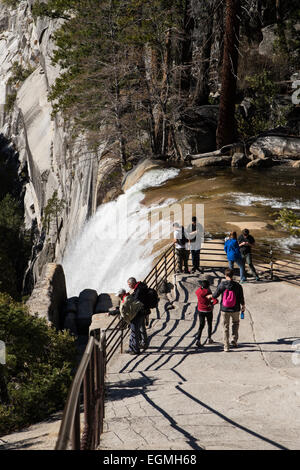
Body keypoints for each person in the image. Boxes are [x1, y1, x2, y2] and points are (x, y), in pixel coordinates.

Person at [210, 268, 245, 352]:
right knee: (236, 323)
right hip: (235, 308)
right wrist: (243, 306)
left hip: (225, 309)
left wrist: (210, 297)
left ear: (225, 276)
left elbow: (215, 295)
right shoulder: (238, 285)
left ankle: (226, 346)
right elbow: (241, 298)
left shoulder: (222, 284)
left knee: (225, 327)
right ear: (233, 275)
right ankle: (234, 339)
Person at [115, 287, 145, 355]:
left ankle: (136, 350)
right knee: (133, 333)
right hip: (138, 315)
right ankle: (131, 348)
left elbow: (122, 311)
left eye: (119, 295)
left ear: (122, 294)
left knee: (134, 333)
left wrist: (111, 312)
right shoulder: (129, 296)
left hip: (135, 317)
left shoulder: (126, 300)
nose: (118, 297)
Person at [195, 279, 218, 348]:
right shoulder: (208, 292)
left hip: (200, 310)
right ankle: (209, 338)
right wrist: (211, 303)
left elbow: (200, 289)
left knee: (201, 325)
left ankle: (198, 340)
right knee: (209, 324)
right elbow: (215, 301)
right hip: (208, 310)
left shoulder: (198, 291)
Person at [127, 277, 149, 350]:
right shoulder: (140, 287)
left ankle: (142, 344)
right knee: (141, 327)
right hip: (144, 310)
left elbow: (136, 300)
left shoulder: (139, 290)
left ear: (133, 283)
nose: (128, 286)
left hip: (141, 311)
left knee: (140, 328)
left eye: (129, 284)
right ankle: (143, 343)